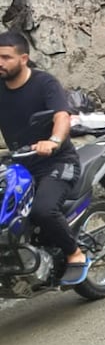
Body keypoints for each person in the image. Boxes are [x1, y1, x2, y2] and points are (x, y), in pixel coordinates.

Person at [0, 30, 90, 285]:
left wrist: (53, 141)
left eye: (6, 57)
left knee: (43, 210)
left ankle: (75, 253)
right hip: (19, 164)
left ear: (23, 58)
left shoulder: (44, 83)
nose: (0, 63)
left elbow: (61, 116)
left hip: (57, 162)